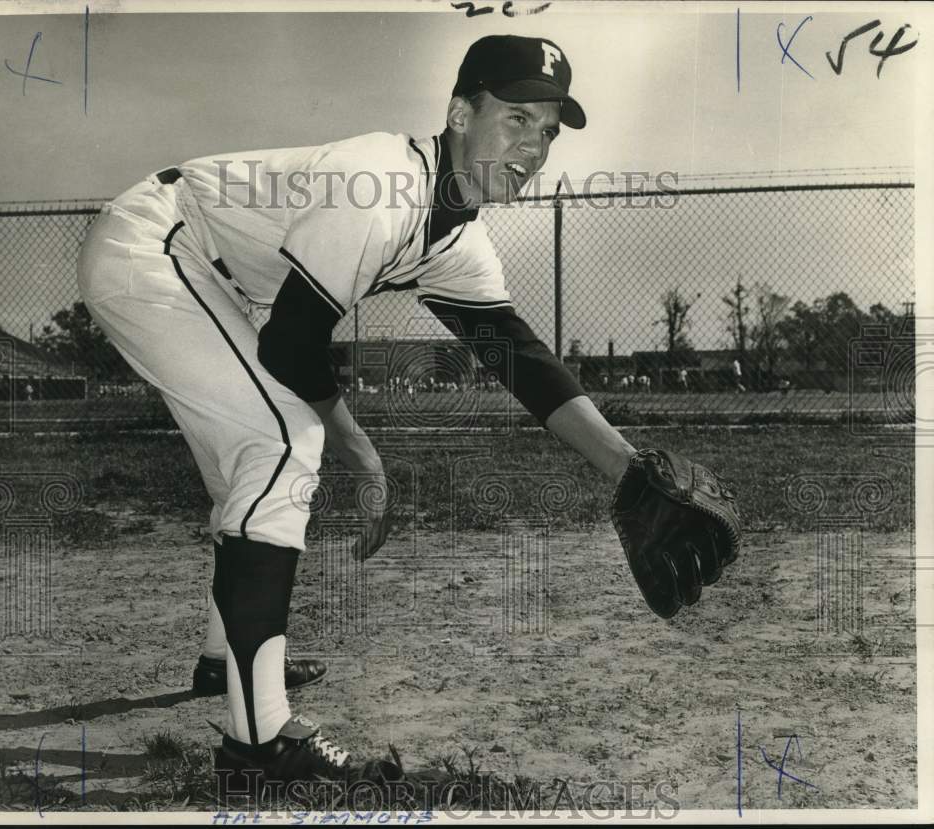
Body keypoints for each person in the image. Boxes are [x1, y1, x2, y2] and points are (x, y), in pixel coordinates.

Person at [76, 34, 638, 784]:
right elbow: (292, 345)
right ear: (459, 112)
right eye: (515, 119)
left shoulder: (459, 237)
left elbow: (519, 360)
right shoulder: (381, 182)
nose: (534, 146)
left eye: (547, 129)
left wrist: (628, 471)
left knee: (251, 463)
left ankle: (226, 660)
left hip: (204, 274)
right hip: (155, 243)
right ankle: (258, 742)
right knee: (282, 445)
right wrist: (365, 456)